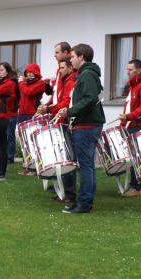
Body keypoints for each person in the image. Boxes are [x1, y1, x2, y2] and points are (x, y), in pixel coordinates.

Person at [57, 44, 105, 214]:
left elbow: (90, 99)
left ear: (81, 57)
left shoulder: (87, 74)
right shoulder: (86, 74)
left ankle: (84, 203)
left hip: (86, 125)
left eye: (72, 57)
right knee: (87, 165)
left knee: (85, 166)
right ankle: (85, 201)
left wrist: (70, 111)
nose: (70, 60)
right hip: (86, 124)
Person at [38, 56, 77, 202]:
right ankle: (64, 190)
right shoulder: (64, 80)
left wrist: (48, 109)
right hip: (60, 120)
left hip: (66, 122)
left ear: (70, 68)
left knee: (67, 158)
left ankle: (69, 193)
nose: (59, 71)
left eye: (62, 68)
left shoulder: (71, 81)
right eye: (59, 68)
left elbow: (65, 103)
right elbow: (57, 99)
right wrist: (47, 107)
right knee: (62, 157)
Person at [117, 59, 141, 198]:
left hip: (138, 126)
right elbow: (130, 106)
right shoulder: (134, 85)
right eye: (127, 69)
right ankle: (133, 185)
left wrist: (129, 116)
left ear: (138, 70)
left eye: (130, 69)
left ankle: (136, 187)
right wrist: (124, 121)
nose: (127, 72)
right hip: (130, 125)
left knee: (137, 158)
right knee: (132, 158)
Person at [17, 63, 46, 175]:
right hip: (22, 113)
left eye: (32, 72)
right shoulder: (25, 83)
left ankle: (35, 168)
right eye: (27, 72)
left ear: (37, 73)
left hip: (32, 114)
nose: (29, 74)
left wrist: (21, 82)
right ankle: (27, 166)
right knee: (24, 143)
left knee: (32, 142)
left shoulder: (40, 83)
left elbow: (28, 92)